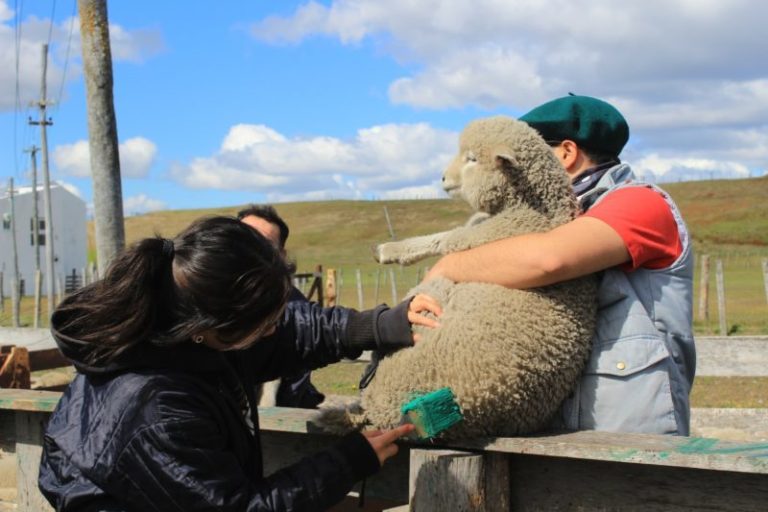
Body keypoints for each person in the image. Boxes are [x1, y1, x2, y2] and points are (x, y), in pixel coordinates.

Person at [38, 216, 442, 511]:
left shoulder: (180, 333)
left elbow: (294, 332)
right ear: (213, 328)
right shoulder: (157, 408)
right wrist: (347, 462)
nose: (273, 331)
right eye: (265, 323)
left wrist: (378, 324)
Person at [425, 95, 695, 435]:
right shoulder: (547, 217)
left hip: (624, 442)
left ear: (566, 154)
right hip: (545, 432)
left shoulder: (639, 203)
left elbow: (548, 259)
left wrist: (449, 266)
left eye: (527, 151)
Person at [237, 204, 326, 409]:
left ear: (280, 255)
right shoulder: (203, 292)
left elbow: (295, 378)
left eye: (265, 244)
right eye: (245, 238)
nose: (251, 249)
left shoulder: (294, 307)